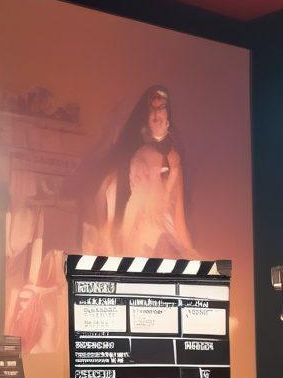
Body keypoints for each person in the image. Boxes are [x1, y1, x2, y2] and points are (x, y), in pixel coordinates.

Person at [80, 85, 198, 257]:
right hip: (133, 243)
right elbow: (115, 214)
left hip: (162, 241)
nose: (156, 115)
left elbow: (179, 218)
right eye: (152, 110)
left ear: (168, 117)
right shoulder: (126, 167)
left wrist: (191, 256)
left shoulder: (172, 160)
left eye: (161, 108)